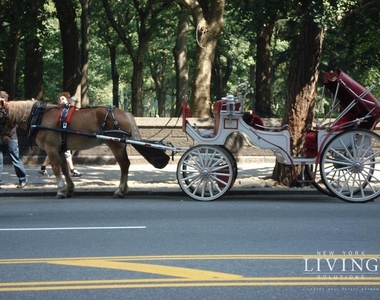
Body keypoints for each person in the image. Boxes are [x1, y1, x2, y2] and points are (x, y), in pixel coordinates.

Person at [38, 92, 82, 177]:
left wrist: (74, 102)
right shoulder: (57, 110)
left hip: (64, 134)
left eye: (63, 99)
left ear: (67, 100)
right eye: (60, 99)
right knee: (66, 153)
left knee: (54, 152)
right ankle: (72, 170)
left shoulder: (68, 109)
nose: (60, 100)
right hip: (60, 135)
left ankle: (43, 168)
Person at [0, 91, 28, 188]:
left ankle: (23, 179)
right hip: (1, 137)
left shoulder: (11, 109)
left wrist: (6, 135)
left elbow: (13, 124)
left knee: (15, 159)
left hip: (10, 138)